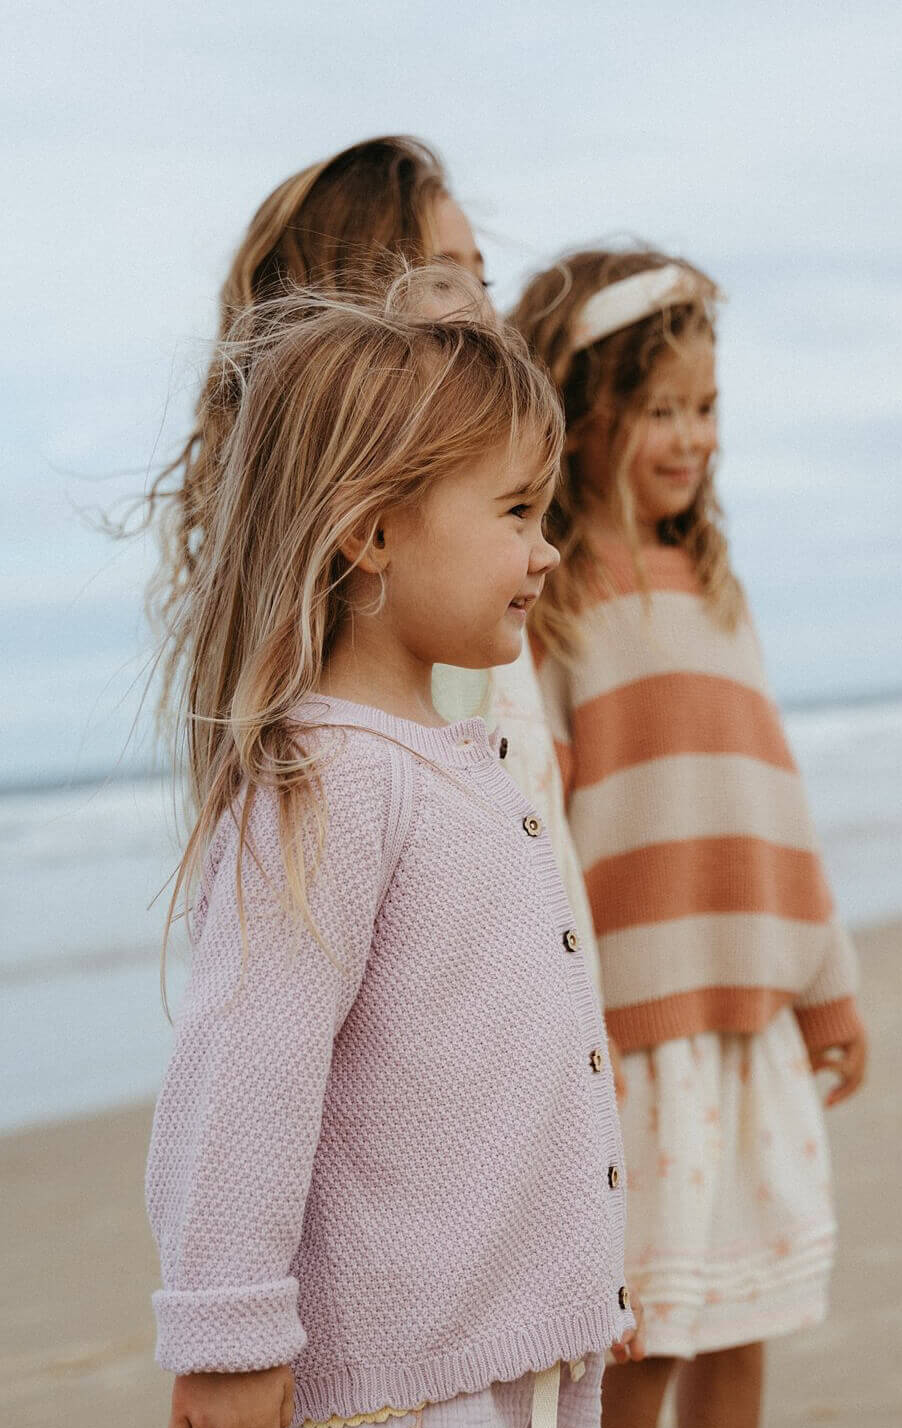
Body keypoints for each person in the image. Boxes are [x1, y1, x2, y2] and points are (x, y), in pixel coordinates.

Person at [145, 274, 636, 1428]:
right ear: (371, 530)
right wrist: (228, 1324)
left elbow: (528, 1051)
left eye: (548, 512)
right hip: (406, 1350)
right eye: (514, 512)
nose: (545, 550)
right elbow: (249, 1066)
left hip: (535, 1332)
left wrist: (597, 1270)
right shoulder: (326, 781)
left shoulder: (466, 758)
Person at [510, 248, 902, 1428]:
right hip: (629, 1024)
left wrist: (831, 976)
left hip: (745, 1006)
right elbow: (537, 833)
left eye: (708, 407)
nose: (692, 437)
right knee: (644, 1335)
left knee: (735, 1309)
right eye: (662, 406)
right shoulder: (545, 600)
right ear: (583, 406)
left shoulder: (712, 583)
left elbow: (771, 797)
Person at [144, 133, 598, 969]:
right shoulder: (353, 709)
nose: (488, 318)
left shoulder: (467, 591)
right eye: (445, 282)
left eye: (483, 282)